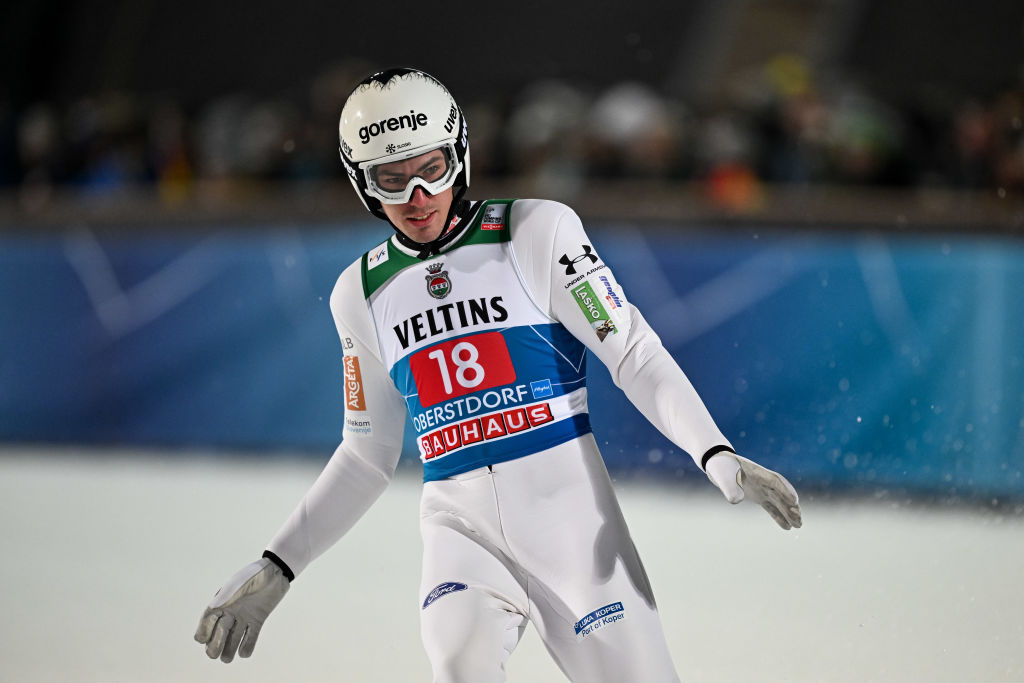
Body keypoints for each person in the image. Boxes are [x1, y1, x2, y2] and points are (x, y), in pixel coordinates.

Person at [194, 67, 802, 682]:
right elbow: (366, 454)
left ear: (459, 156)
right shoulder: (359, 291)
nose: (417, 197)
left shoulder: (536, 231)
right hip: (462, 536)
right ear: (363, 186)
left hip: (575, 534)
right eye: (392, 180)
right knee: (461, 669)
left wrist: (713, 451)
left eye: (431, 169)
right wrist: (279, 563)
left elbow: (634, 353)